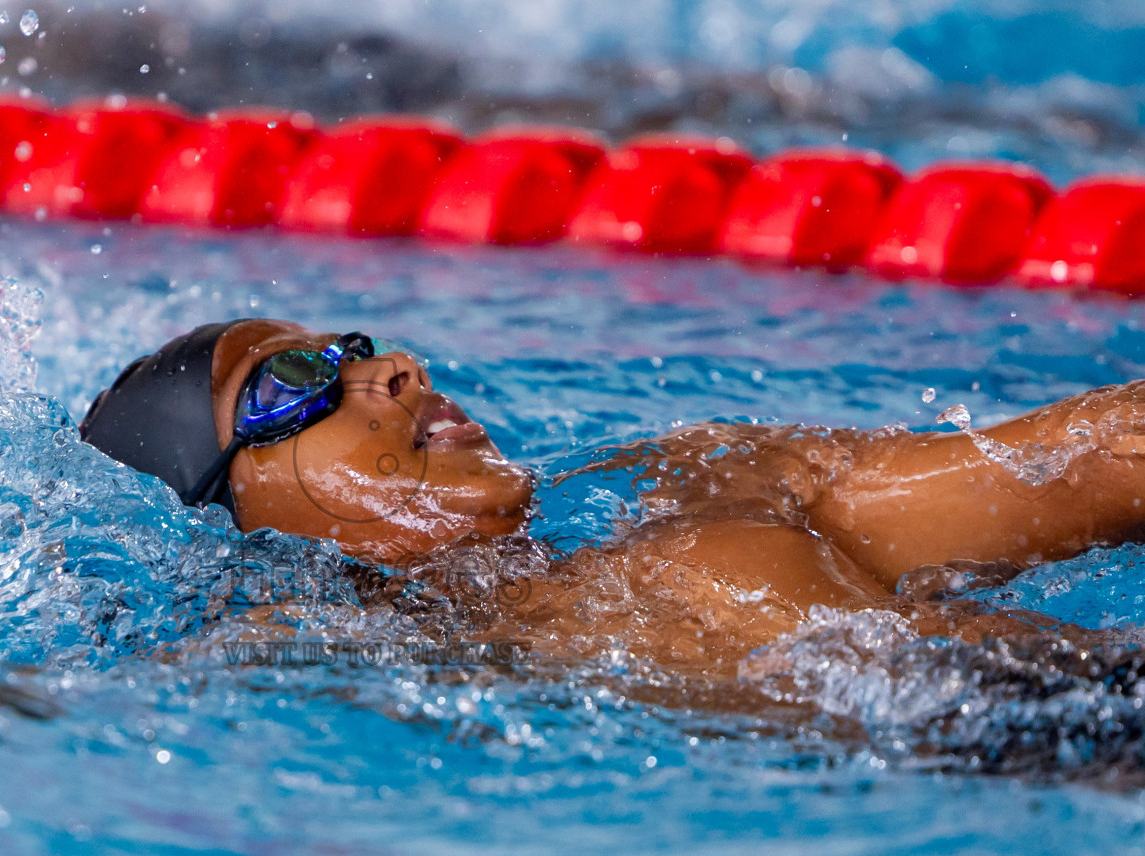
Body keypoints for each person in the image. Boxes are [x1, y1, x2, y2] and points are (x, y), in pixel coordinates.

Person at [80, 318, 1145, 674]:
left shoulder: (710, 478)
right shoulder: (318, 648)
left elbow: (1088, 458)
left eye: (349, 345)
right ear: (225, 510)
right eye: (294, 380)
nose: (395, 362)